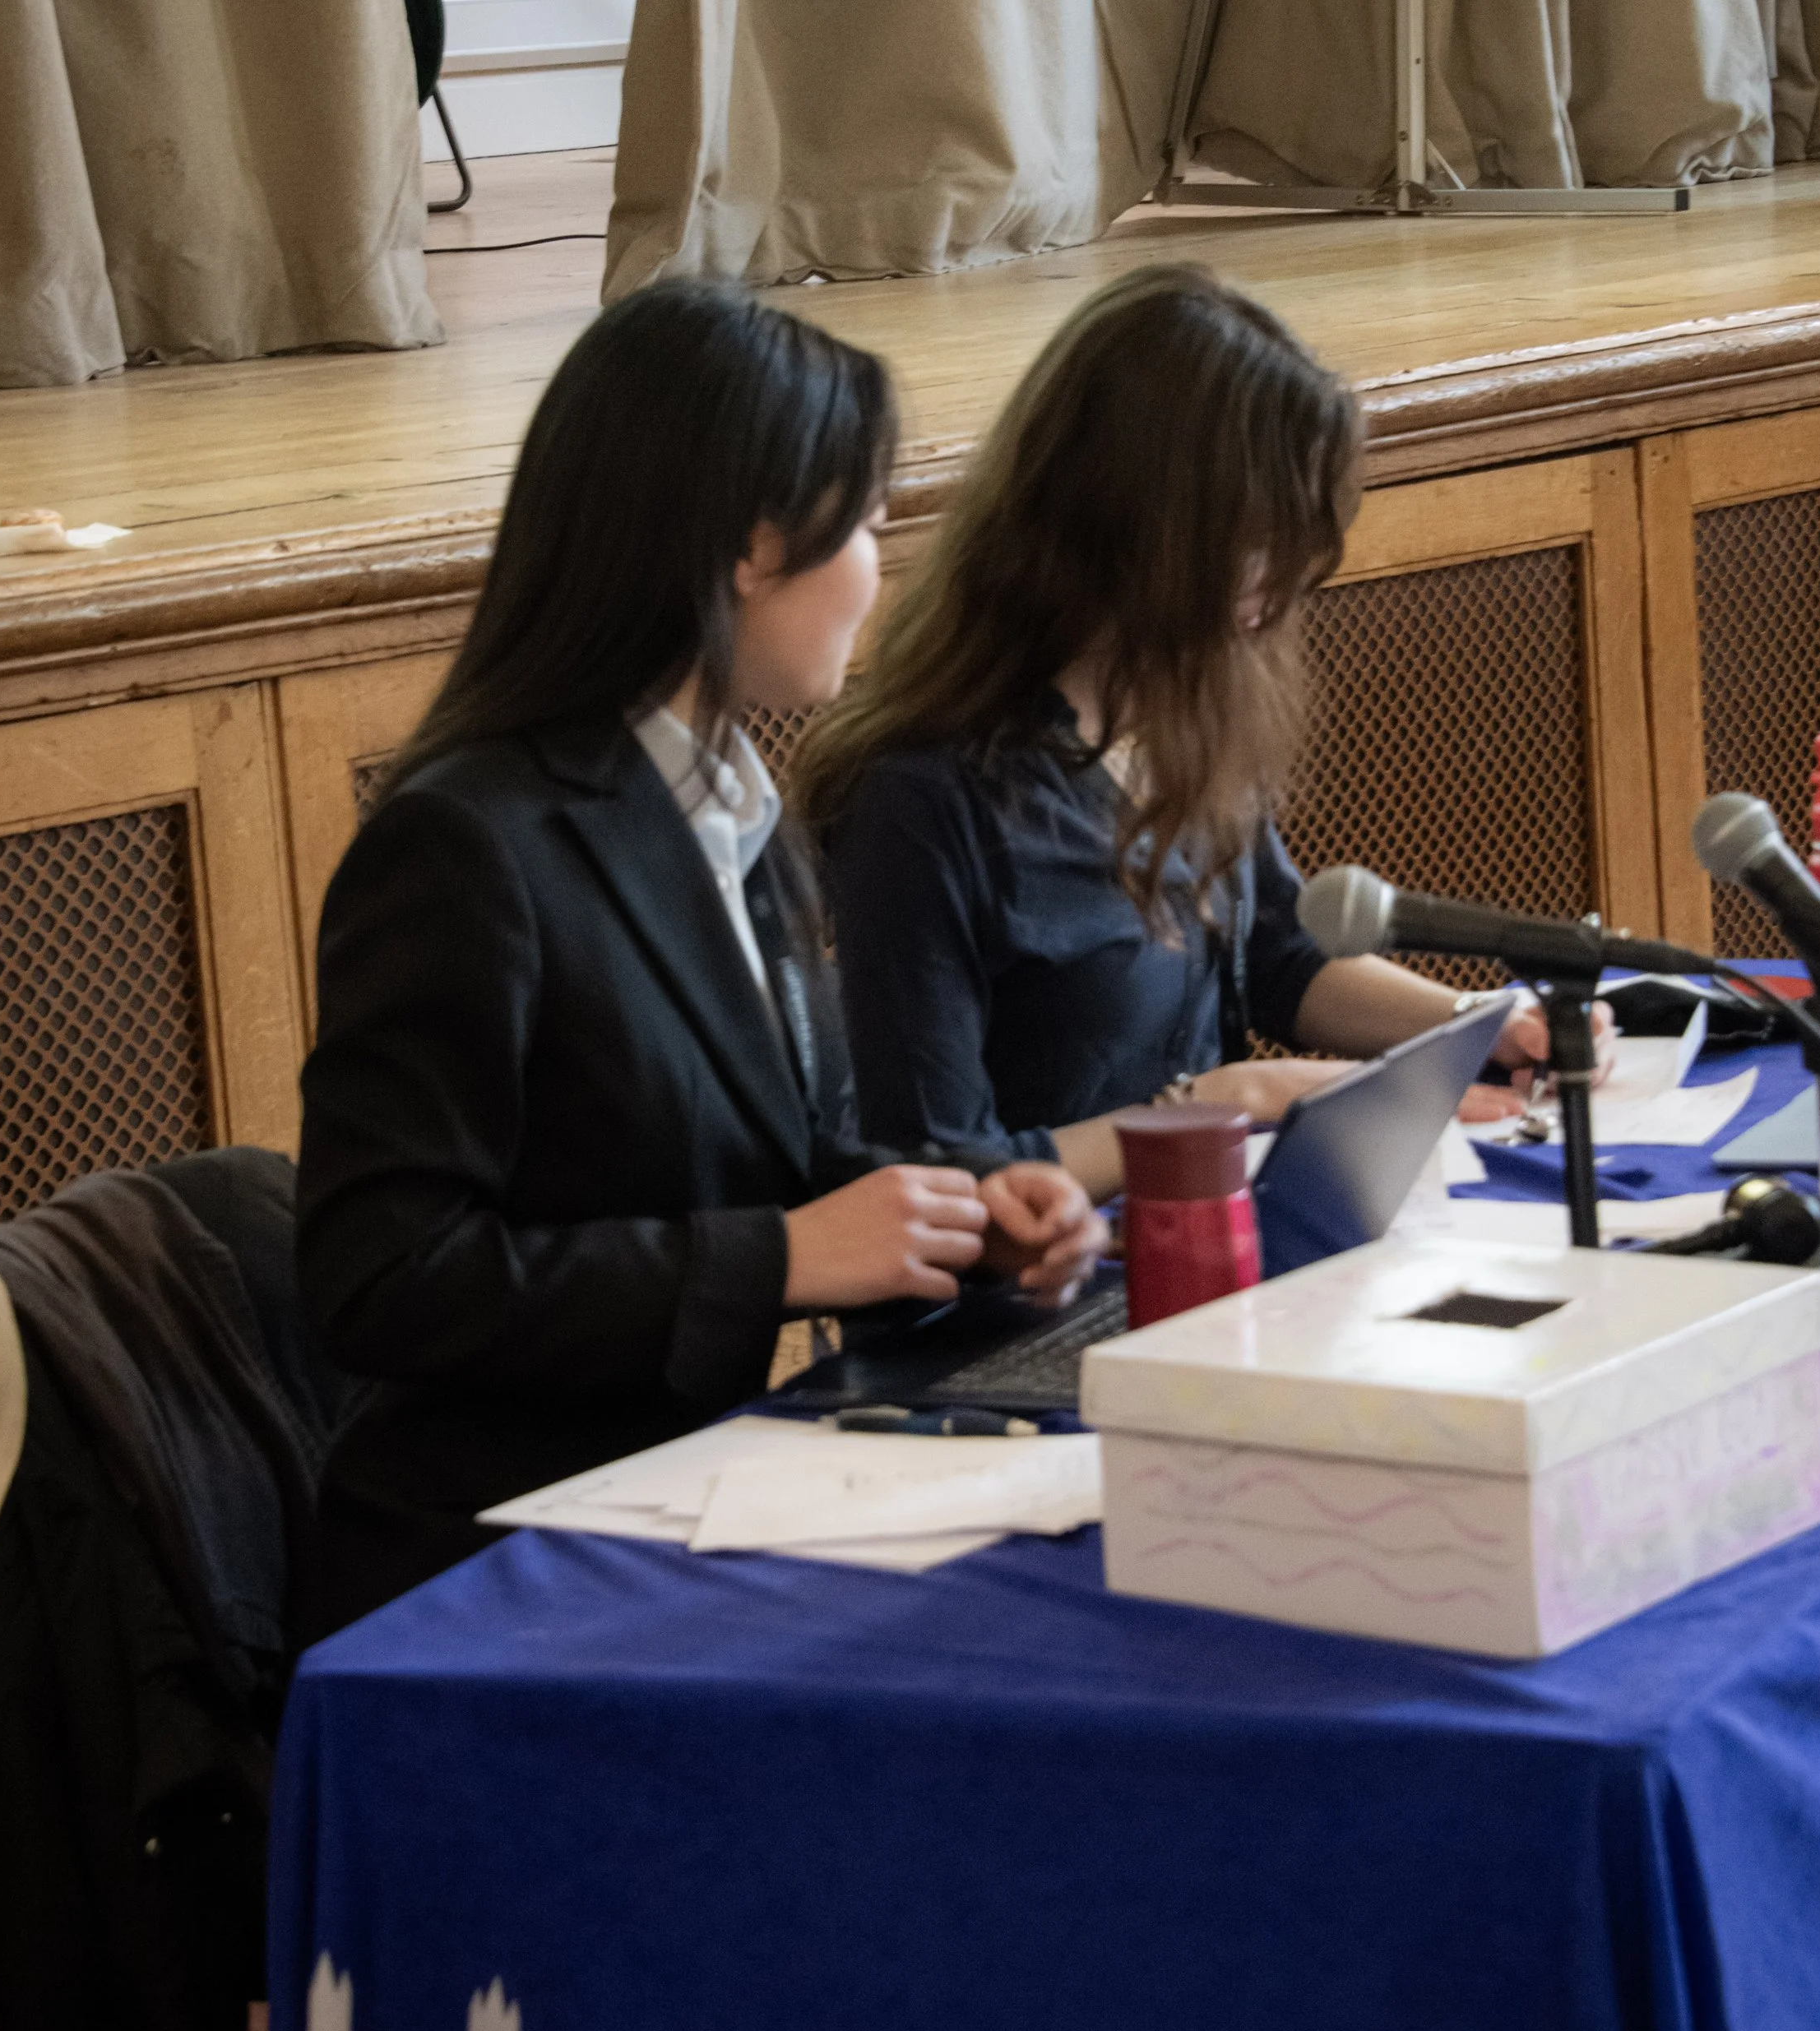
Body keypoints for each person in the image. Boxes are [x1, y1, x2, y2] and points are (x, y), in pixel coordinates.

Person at [297, 283, 1100, 1628]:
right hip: (490, 1566)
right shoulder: (465, 845)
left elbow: (770, 1158)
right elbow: (380, 1279)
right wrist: (780, 1262)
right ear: (752, 544)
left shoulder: (735, 802)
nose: (881, 571)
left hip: (683, 1497)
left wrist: (966, 1220)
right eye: (868, 525)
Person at [801, 264, 1602, 1197]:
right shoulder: (919, 796)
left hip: (1209, 1235)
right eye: (1258, 540)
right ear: (1142, 527)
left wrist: (1477, 1022)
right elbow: (937, 1172)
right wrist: (1225, 1100)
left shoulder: (1181, 708)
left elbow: (1282, 958)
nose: (1286, 584)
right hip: (1035, 1292)